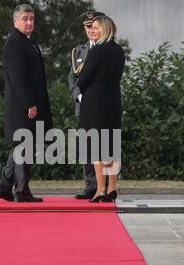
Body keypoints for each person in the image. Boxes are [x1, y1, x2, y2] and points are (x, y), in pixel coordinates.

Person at [0, 4, 53, 202]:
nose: (29, 22)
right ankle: (21, 190)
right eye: (25, 19)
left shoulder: (27, 41)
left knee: (20, 145)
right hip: (22, 105)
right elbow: (17, 77)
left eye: (31, 19)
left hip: (27, 104)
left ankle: (4, 188)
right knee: (24, 146)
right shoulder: (15, 42)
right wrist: (30, 103)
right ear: (15, 21)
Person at [76, 15, 125, 203]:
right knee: (111, 146)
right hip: (113, 101)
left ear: (105, 29)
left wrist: (81, 85)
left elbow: (83, 78)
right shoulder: (119, 50)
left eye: (96, 27)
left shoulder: (97, 51)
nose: (93, 31)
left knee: (95, 146)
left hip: (94, 103)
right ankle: (112, 188)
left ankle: (100, 190)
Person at [68, 11, 107, 200]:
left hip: (103, 104)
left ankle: (106, 186)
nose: (91, 30)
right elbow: (72, 77)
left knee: (106, 144)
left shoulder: (108, 49)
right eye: (87, 27)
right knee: (87, 146)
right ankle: (91, 186)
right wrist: (79, 95)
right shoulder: (79, 51)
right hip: (84, 104)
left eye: (94, 26)